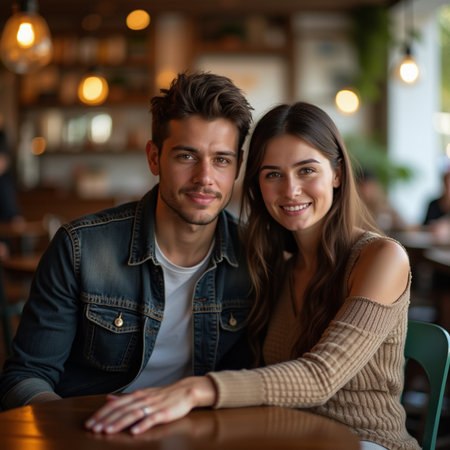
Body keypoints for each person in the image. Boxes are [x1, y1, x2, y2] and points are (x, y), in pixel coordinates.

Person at [85, 102, 420, 450]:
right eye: (273, 174)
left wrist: (194, 390)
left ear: (336, 174)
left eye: (306, 170)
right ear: (257, 184)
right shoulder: (274, 269)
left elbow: (322, 376)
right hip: (285, 440)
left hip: (368, 443)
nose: (290, 190)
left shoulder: (381, 257)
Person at [0, 72, 254, 409]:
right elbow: (25, 376)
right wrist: (76, 431)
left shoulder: (255, 256)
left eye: (221, 160)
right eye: (186, 156)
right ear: (153, 157)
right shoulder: (79, 248)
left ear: (236, 168)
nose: (205, 177)